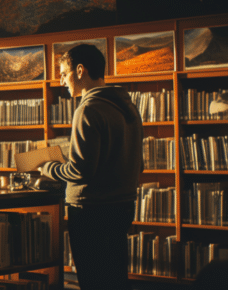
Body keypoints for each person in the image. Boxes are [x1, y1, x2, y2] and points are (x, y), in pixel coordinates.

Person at [38, 44, 143, 290]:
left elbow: (80, 171)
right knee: (115, 279)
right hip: (123, 206)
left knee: (93, 280)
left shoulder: (87, 108)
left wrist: (47, 166)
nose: (61, 80)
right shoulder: (127, 106)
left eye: (63, 73)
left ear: (80, 70)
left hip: (92, 211)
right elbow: (138, 163)